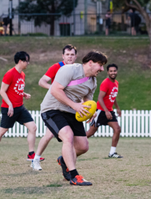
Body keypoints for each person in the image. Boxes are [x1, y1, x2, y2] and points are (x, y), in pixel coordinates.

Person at [40, 51, 107, 186]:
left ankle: (64, 160)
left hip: (72, 111)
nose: (102, 69)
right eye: (100, 65)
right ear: (90, 63)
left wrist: (90, 112)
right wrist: (75, 105)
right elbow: (55, 90)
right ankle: (74, 176)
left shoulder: (92, 81)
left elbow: (88, 101)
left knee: (83, 146)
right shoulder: (69, 70)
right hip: (53, 109)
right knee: (68, 136)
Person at [31, 44, 77, 171]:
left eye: (72, 54)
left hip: (68, 107)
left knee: (72, 137)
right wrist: (53, 88)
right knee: (50, 135)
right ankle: (36, 159)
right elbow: (42, 81)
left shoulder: (77, 69)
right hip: (54, 106)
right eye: (67, 54)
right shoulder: (57, 67)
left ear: (75, 56)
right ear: (63, 56)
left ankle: (65, 160)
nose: (70, 57)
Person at [0, 51, 38, 164]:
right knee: (2, 131)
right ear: (20, 61)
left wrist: (23, 94)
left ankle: (31, 154)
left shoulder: (22, 74)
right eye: (26, 61)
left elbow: (15, 88)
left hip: (20, 107)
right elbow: (2, 91)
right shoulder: (10, 73)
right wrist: (10, 105)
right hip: (9, 108)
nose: (28, 63)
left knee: (33, 127)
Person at [86, 63, 123, 158]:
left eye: (114, 71)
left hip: (109, 111)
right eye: (111, 71)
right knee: (90, 133)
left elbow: (113, 96)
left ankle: (112, 152)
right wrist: (106, 111)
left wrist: (117, 108)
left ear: (117, 71)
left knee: (117, 129)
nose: (113, 73)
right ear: (108, 72)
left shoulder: (116, 83)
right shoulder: (105, 83)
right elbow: (100, 98)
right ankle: (73, 146)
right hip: (100, 111)